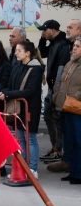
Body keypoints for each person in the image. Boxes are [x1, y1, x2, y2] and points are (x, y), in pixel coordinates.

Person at [0, 40, 43, 173]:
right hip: (18, 108)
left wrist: (7, 94)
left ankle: (32, 169)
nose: (16, 53)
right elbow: (11, 86)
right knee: (21, 138)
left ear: (28, 53)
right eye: (16, 50)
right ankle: (23, 168)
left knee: (30, 138)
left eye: (19, 51)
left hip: (30, 108)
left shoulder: (36, 68)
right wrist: (3, 92)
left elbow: (30, 91)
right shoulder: (18, 66)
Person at [38, 20, 69, 163]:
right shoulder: (53, 42)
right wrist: (42, 39)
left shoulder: (63, 43)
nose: (43, 33)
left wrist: (57, 88)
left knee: (56, 118)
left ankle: (58, 150)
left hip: (57, 87)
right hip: (52, 87)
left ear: (53, 29)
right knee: (49, 116)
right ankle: (55, 148)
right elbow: (42, 52)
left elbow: (61, 68)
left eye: (45, 30)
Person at [53, 37, 81, 184]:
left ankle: (79, 173)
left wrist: (76, 95)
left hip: (77, 108)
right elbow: (61, 83)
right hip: (66, 107)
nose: (74, 48)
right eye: (74, 45)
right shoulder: (70, 63)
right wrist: (56, 97)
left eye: (77, 46)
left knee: (79, 141)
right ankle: (74, 172)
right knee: (70, 141)